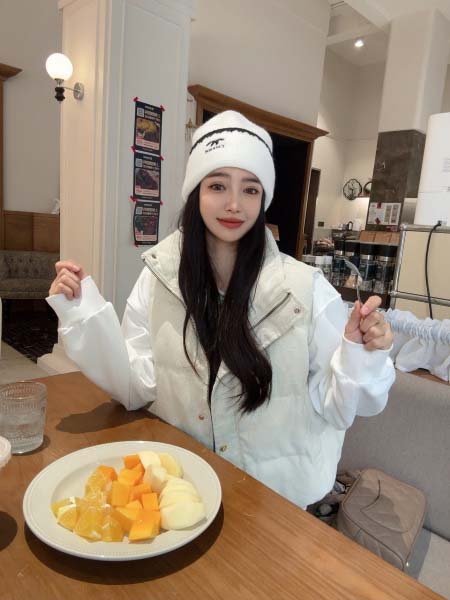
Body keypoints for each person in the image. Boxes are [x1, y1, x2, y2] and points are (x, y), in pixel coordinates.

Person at [48, 110, 395, 509]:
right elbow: (135, 385)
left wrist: (360, 352)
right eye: (217, 185)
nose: (234, 204)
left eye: (250, 190)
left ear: (263, 199)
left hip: (277, 503)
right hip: (184, 490)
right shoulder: (160, 278)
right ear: (195, 191)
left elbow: (340, 408)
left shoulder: (305, 288)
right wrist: (80, 310)